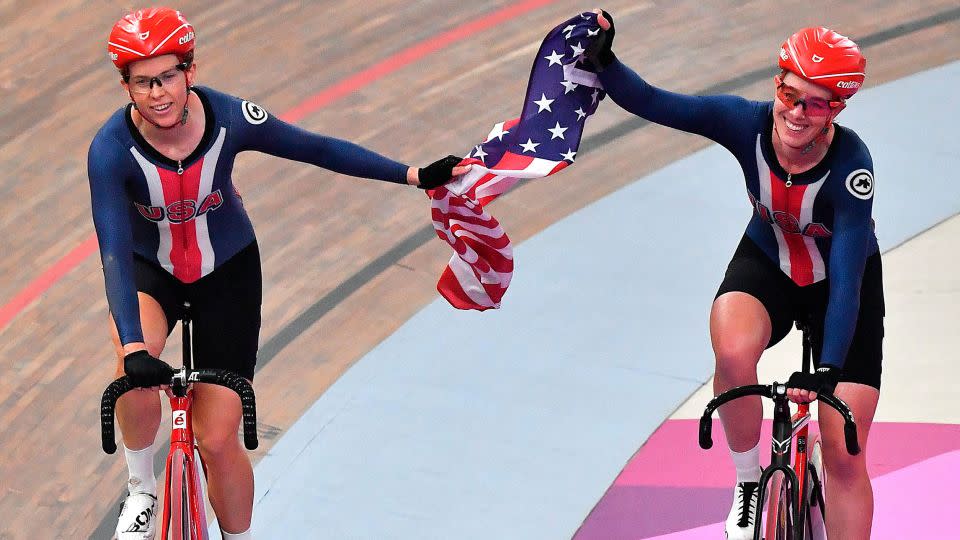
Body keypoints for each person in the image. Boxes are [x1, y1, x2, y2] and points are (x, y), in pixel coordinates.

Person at [90, 7, 470, 540]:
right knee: (131, 369)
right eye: (143, 81)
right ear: (126, 86)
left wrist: (412, 175)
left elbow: (316, 148)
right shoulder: (109, 151)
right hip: (150, 272)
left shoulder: (230, 118)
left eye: (168, 76)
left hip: (228, 273)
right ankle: (141, 489)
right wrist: (133, 350)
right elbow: (112, 250)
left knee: (218, 439)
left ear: (189, 71)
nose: (158, 93)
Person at [587, 10, 881, 540]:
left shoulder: (851, 167)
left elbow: (847, 284)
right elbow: (656, 102)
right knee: (730, 353)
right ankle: (748, 484)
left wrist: (829, 369)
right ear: (777, 85)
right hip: (768, 260)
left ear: (836, 108)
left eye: (816, 104)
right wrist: (604, 62)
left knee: (843, 452)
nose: (797, 113)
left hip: (841, 286)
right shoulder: (742, 121)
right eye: (791, 95)